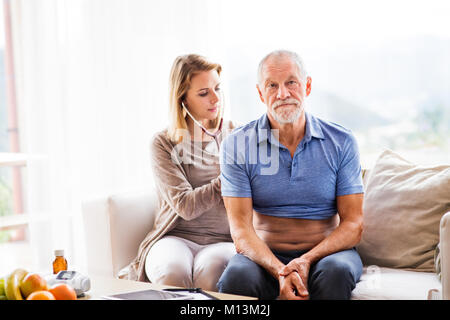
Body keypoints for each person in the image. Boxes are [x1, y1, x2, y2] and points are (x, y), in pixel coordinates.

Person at [217, 50, 364, 300]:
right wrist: (282, 271)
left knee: (336, 272)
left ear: (306, 86)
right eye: (272, 85)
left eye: (291, 83)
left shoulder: (342, 141)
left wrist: (305, 260)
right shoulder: (236, 145)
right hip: (264, 258)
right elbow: (240, 230)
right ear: (261, 93)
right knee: (236, 277)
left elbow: (354, 224)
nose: (283, 94)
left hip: (328, 256)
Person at [124, 54, 236, 291]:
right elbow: (185, 206)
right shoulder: (163, 143)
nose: (215, 98)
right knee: (173, 273)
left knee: (211, 273)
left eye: (217, 88)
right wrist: (229, 177)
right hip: (175, 237)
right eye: (204, 93)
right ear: (182, 98)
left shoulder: (235, 135)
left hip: (222, 239)